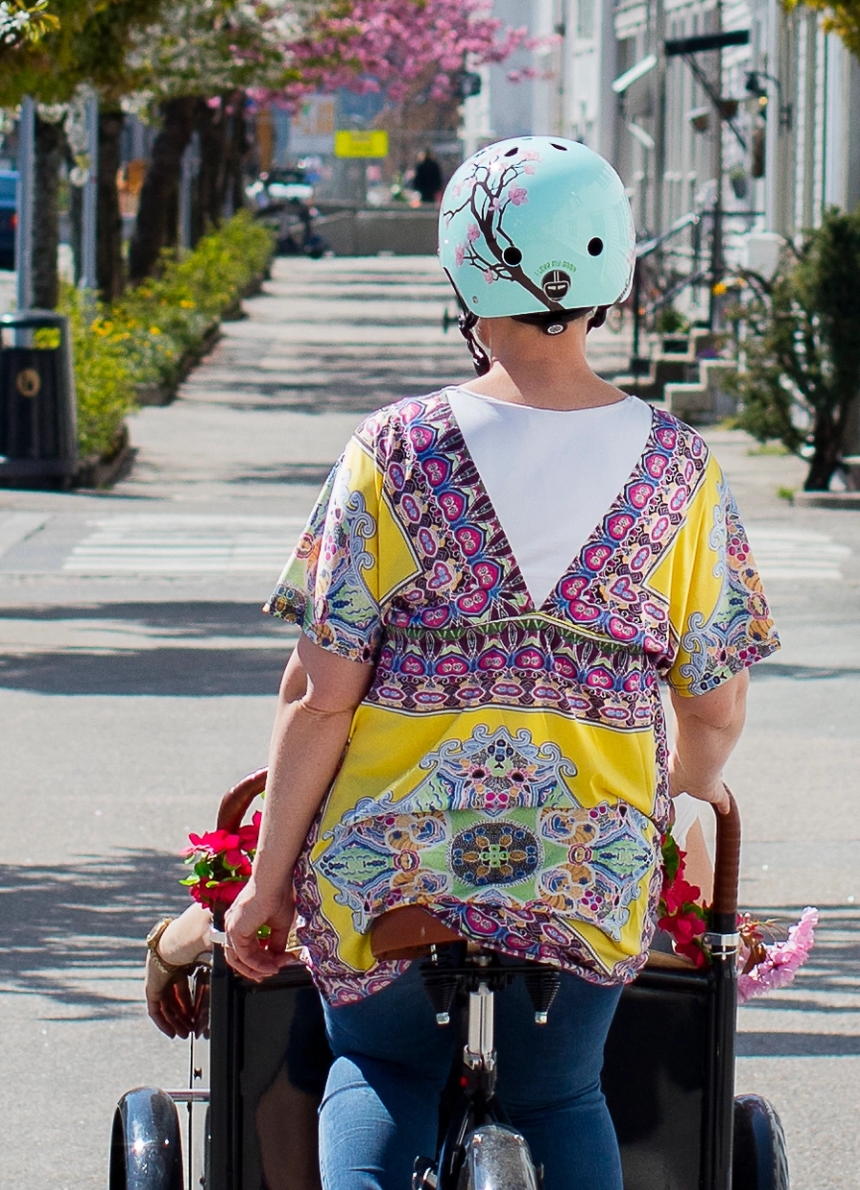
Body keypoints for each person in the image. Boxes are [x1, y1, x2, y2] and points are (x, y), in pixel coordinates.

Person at [220, 136, 775, 1190]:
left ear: (462, 274)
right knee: (561, 1090)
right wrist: (686, 806)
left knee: (381, 1068)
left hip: (393, 860)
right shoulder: (681, 474)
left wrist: (264, 884)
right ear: (614, 280)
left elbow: (318, 698)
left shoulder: (392, 450)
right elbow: (715, 705)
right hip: (586, 860)